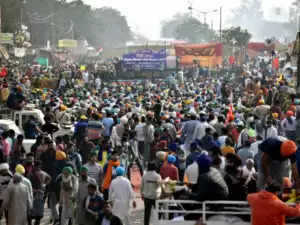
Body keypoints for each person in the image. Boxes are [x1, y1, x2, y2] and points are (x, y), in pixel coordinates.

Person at [27, 161, 51, 225]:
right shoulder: (43, 173)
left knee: (31, 213)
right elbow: (49, 178)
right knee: (38, 214)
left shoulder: (30, 174)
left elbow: (27, 183)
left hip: (33, 194)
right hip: (40, 195)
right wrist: (45, 184)